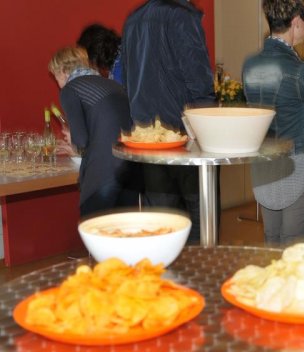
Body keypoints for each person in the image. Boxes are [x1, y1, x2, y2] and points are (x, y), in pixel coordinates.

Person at [121, 0, 216, 243]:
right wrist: (208, 128)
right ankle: (200, 266)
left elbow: (127, 78)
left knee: (161, 220)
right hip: (184, 133)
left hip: (147, 134)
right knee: (200, 213)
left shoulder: (133, 20)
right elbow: (198, 77)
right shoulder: (182, 16)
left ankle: (163, 266)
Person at [242, 0, 304, 246]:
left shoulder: (249, 66)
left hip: (265, 164)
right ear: (297, 22)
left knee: (272, 243)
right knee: (294, 248)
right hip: (299, 164)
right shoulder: (300, 70)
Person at [48, 47, 140, 216]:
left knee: (94, 228)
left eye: (55, 77)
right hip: (131, 172)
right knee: (123, 230)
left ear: (62, 71)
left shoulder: (71, 89)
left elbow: (81, 141)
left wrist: (73, 143)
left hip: (103, 175)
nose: (58, 83)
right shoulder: (113, 84)